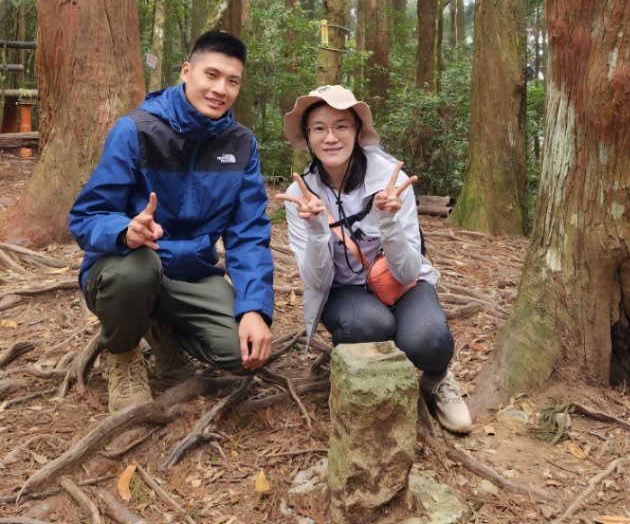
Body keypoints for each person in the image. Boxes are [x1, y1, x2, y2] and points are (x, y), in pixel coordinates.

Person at [68, 30, 273, 414]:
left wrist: (254, 310)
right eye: (211, 75)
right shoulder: (136, 130)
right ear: (186, 71)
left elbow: (248, 234)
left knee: (242, 354)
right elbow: (86, 216)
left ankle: (163, 334)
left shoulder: (241, 145)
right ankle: (123, 353)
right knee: (136, 272)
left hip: (191, 272)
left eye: (232, 81)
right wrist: (123, 231)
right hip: (128, 265)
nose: (221, 89)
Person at [277, 84, 472, 434]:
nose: (331, 137)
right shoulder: (300, 195)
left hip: (398, 281)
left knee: (429, 340)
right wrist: (317, 229)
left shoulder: (391, 180)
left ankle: (437, 380)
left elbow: (409, 271)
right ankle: (360, 376)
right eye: (319, 128)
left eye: (341, 126)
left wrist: (388, 221)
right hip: (343, 289)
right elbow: (317, 282)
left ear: (357, 131)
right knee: (369, 326)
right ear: (307, 137)